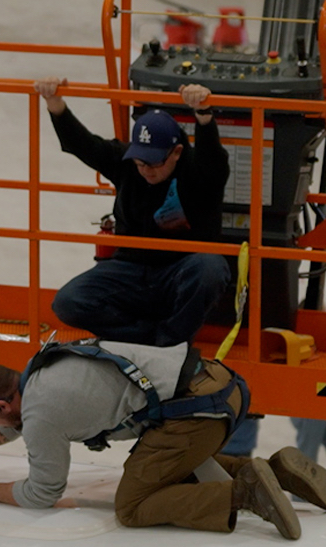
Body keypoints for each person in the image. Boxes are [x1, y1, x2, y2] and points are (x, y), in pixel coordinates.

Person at [0, 341, 326, 540]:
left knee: (133, 506)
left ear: (0, 404)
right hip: (218, 387)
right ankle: (274, 472)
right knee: (163, 464)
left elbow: (43, 492)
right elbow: (8, 426)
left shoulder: (42, 414)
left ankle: (242, 494)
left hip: (196, 414)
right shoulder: (41, 371)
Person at [35, 77, 233, 346]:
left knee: (210, 268)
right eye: (139, 163)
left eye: (153, 164)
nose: (145, 171)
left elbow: (213, 156)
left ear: (176, 152)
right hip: (130, 269)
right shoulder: (128, 162)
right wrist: (54, 102)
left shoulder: (201, 172)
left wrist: (204, 114)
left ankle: (171, 342)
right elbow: (84, 145)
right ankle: (146, 337)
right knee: (68, 302)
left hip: (180, 270)